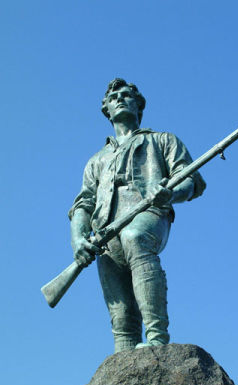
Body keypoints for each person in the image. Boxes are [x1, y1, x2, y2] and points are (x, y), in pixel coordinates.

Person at [69, 78, 206, 353]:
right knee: (120, 312)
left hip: (149, 212)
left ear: (138, 104)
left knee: (135, 236)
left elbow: (191, 180)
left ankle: (157, 337)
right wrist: (78, 239)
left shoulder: (163, 140)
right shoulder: (96, 161)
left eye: (126, 95)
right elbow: (83, 204)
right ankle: (122, 358)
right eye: (113, 97)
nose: (119, 99)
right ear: (106, 109)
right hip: (105, 231)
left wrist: (170, 194)